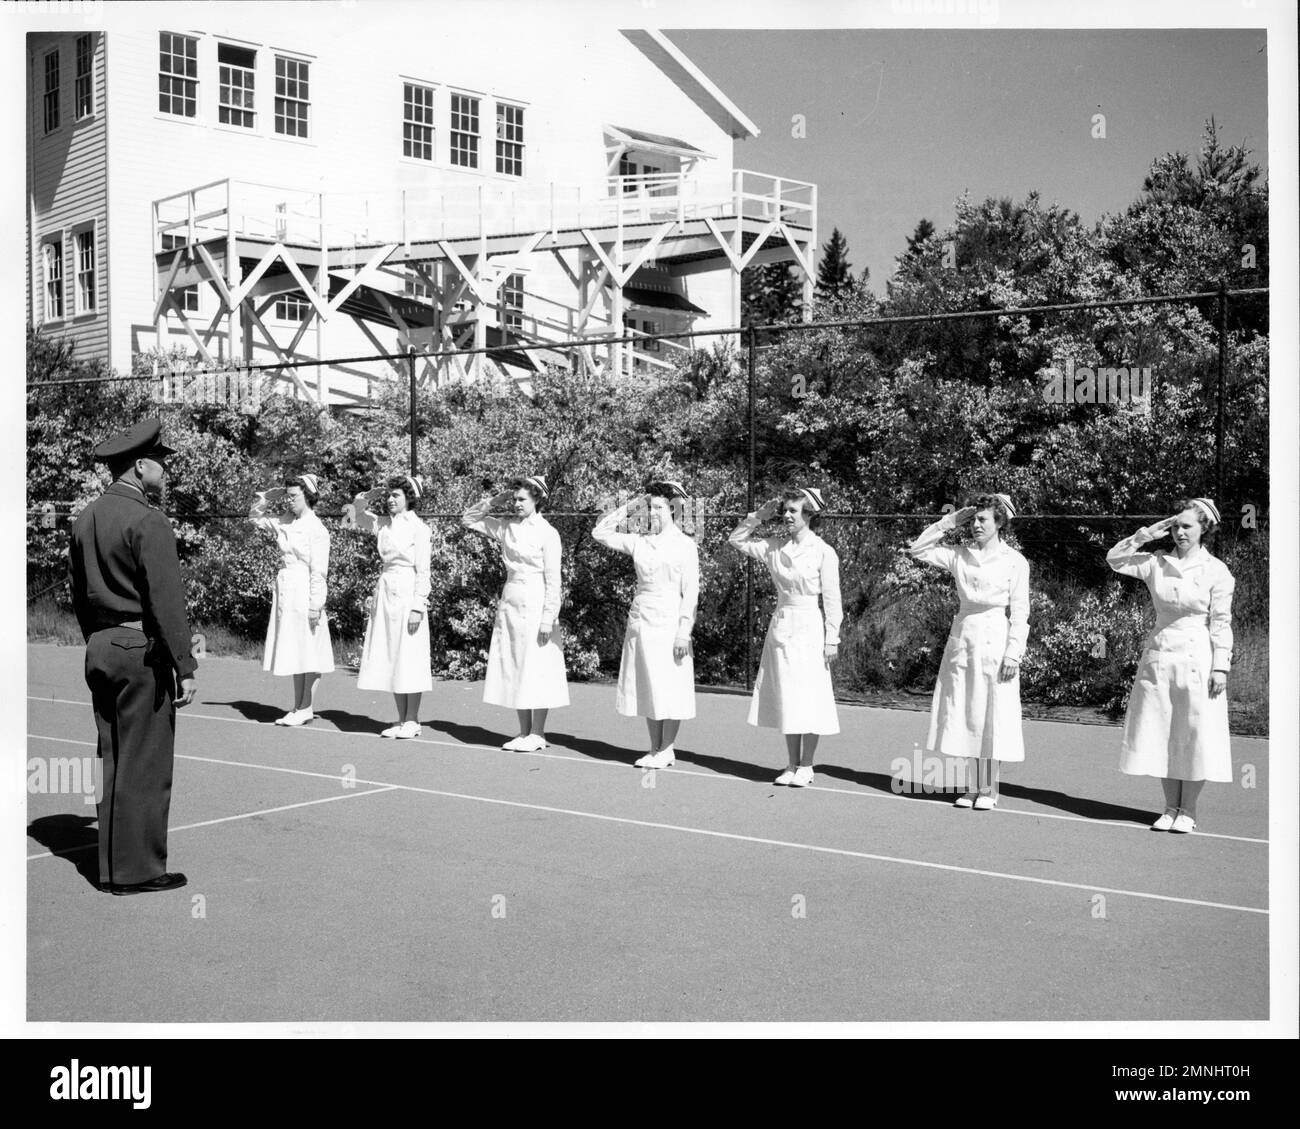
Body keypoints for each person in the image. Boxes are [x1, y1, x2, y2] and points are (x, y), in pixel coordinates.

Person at [68, 418, 197, 895]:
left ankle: (110, 867)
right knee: (145, 760)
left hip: (101, 645)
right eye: (160, 463)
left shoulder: (86, 518)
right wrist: (184, 665)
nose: (165, 471)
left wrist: (99, 639)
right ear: (140, 466)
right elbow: (166, 601)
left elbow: (79, 594)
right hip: (140, 650)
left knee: (112, 756)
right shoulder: (149, 519)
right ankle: (138, 871)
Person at [1107, 498, 1234, 833]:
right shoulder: (1156, 563)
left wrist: (1221, 665)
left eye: (1187, 526)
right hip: (1160, 655)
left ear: (1203, 529)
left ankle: (1188, 810)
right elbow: (1115, 559)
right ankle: (1168, 808)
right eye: (1175, 526)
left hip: (1198, 659)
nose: (1179, 532)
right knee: (1163, 730)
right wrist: (1145, 535)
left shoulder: (1216, 570)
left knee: (1193, 734)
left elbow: (1221, 622)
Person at [905, 494, 1029, 809]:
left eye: (982, 519)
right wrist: (949, 521)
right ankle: (972, 786)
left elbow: (1020, 612)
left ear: (999, 522)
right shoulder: (960, 555)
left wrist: (1014, 652)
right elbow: (917, 549)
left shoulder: (1014, 561)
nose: (975, 525)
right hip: (964, 638)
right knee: (966, 712)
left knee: (993, 715)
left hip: (997, 642)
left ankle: (989, 789)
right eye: (973, 520)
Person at [728, 487, 841, 787]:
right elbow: (736, 540)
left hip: (810, 628)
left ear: (809, 514)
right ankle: (791, 763)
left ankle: (807, 765)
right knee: (789, 696)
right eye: (786, 510)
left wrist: (833, 639)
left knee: (811, 696)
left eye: (794, 510)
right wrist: (757, 517)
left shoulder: (823, 551)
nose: (787, 515)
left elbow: (832, 600)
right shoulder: (774, 546)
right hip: (782, 626)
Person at [592, 481, 700, 768]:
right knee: (649, 681)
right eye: (650, 507)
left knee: (670, 683)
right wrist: (629, 508)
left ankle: (668, 748)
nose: (653, 512)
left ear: (673, 509)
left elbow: (690, 593)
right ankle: (654, 747)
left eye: (660, 507)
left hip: (670, 618)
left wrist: (683, 632)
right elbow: (599, 532)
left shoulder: (685, 545)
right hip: (642, 617)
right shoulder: (640, 541)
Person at [462, 475, 569, 750]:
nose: (517, 504)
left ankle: (538, 733)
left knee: (538, 665)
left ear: (538, 500)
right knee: (517, 663)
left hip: (536, 601)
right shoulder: (507, 527)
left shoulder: (549, 533)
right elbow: (469, 519)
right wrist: (494, 500)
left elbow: (553, 580)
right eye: (515, 499)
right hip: (511, 600)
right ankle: (523, 732)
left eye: (523, 499)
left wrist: (548, 618)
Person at [249, 473, 335, 725]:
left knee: (310, 649)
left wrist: (315, 605)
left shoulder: (317, 529)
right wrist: (264, 498)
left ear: (307, 496)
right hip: (287, 589)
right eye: (287, 496)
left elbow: (319, 570)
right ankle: (297, 706)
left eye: (294, 496)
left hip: (306, 590)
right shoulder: (286, 521)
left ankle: (306, 707)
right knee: (297, 648)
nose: (289, 501)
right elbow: (255, 518)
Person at [354, 475, 432, 738]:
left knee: (410, 655)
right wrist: (367, 495)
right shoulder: (383, 524)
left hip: (408, 590)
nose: (390, 500)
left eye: (396, 495)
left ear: (409, 498)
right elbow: (357, 512)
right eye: (388, 496)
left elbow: (424, 571)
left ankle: (413, 719)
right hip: (386, 590)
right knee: (393, 653)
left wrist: (417, 607)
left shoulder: (419, 528)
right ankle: (401, 718)